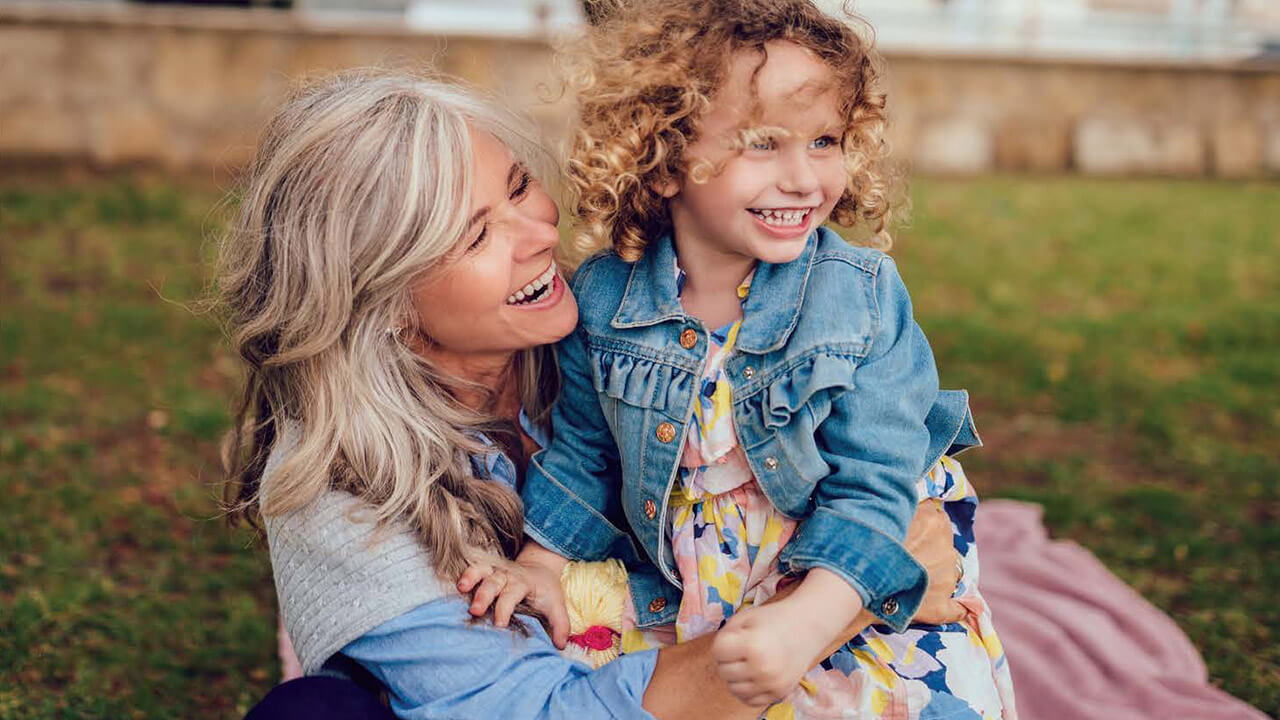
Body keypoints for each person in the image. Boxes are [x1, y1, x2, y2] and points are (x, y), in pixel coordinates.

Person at [220, 69, 966, 720]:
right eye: (477, 237)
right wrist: (854, 594)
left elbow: (862, 448)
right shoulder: (339, 493)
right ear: (382, 303)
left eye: (519, 188)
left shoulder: (609, 337)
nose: (539, 235)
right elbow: (545, 712)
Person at [487, 1, 1017, 717]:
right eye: (762, 143)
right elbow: (586, 450)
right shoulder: (608, 297)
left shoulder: (856, 299)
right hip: (692, 583)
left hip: (849, 568)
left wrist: (812, 619)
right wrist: (542, 563)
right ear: (665, 157)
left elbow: (876, 484)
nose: (803, 178)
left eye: (825, 140)